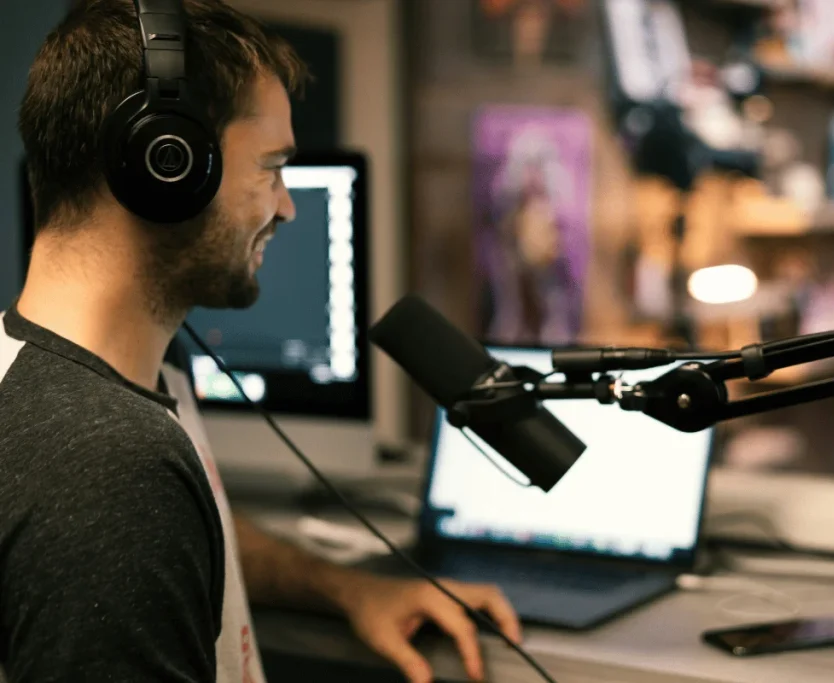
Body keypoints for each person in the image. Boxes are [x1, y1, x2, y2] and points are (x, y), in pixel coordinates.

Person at [0, 1, 520, 682]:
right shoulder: (110, 461)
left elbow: (190, 528)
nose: (287, 205)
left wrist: (346, 587)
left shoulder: (75, 391)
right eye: (271, 167)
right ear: (167, 165)